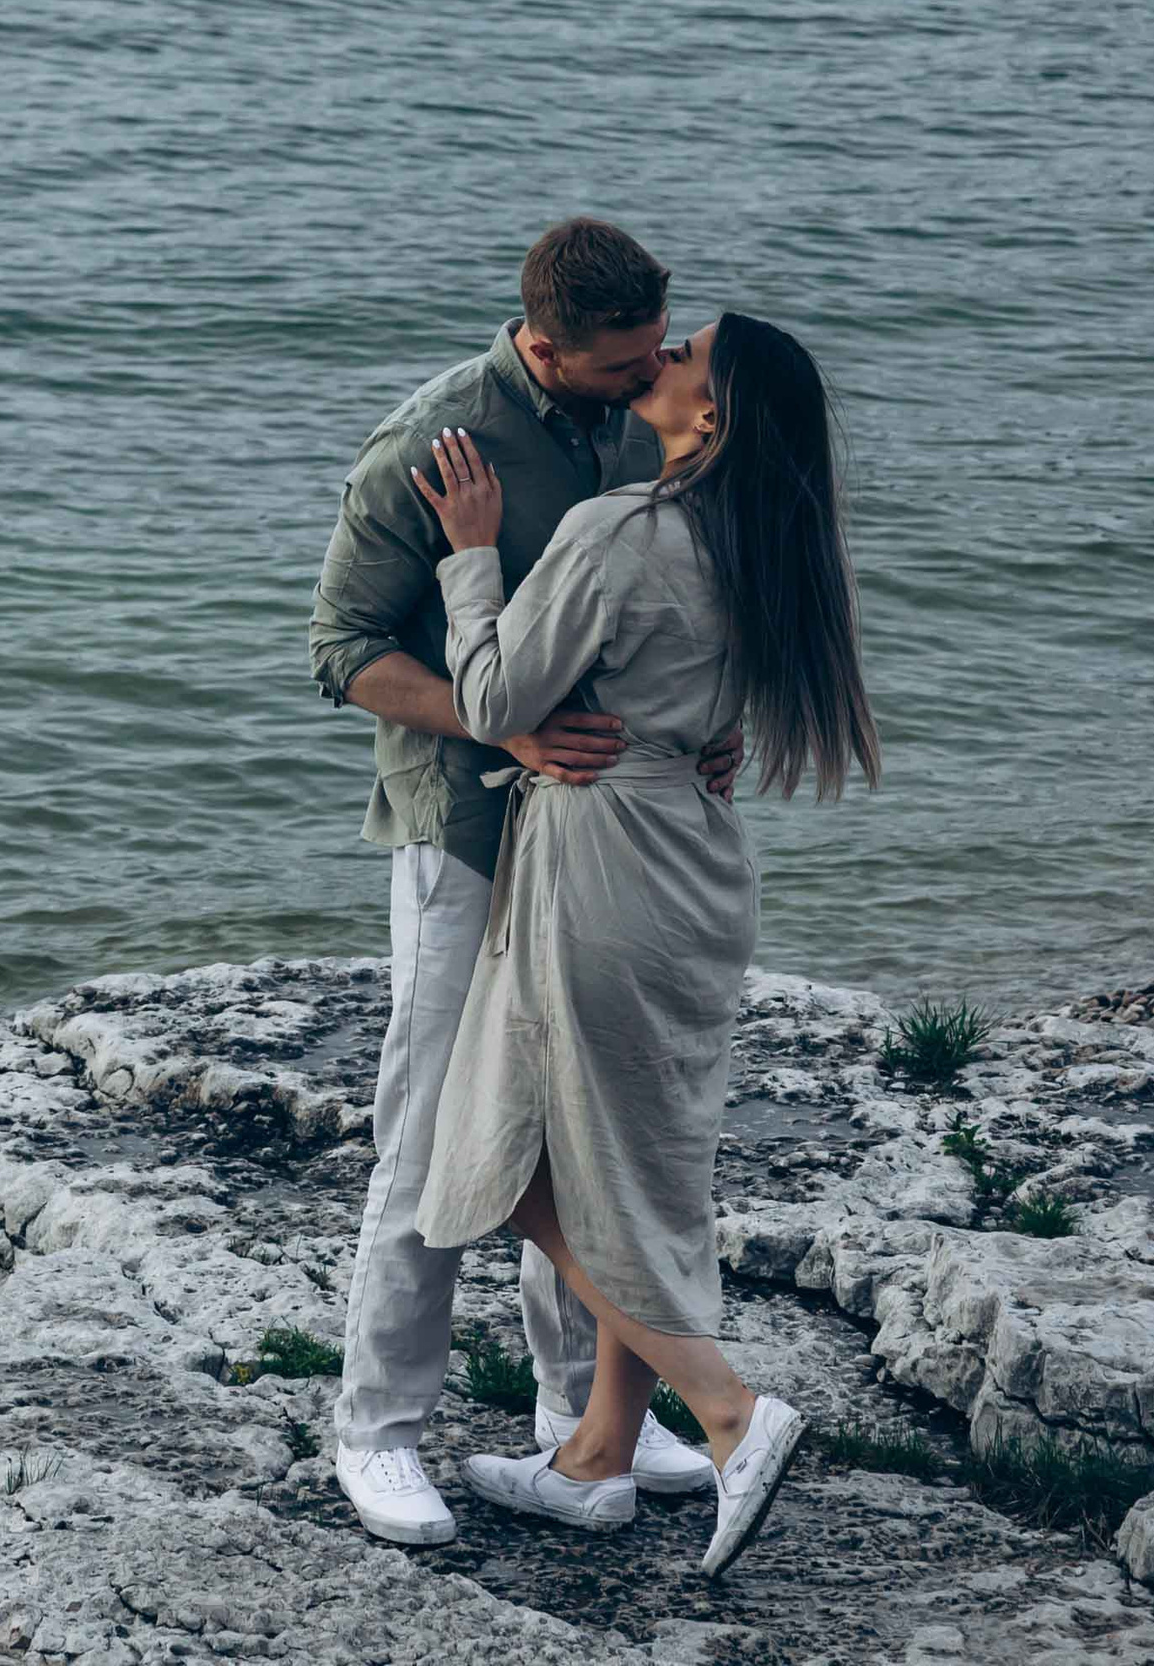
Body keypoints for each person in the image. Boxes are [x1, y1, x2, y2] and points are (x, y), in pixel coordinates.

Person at [411, 311, 881, 1577]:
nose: (660, 357)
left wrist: (468, 558)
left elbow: (498, 698)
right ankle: (595, 1455)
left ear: (710, 414)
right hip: (699, 865)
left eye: (686, 356)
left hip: (600, 868)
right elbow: (709, 714)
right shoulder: (772, 546)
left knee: (516, 1167)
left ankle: (728, 1411)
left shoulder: (617, 530)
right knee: (642, 1166)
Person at [310, 220, 741, 1548]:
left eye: (653, 353)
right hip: (465, 834)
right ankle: (376, 1432)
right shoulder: (432, 447)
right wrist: (497, 727)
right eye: (621, 363)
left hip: (600, 848)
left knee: (579, 1137)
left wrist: (702, 724)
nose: (648, 374)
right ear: (543, 344)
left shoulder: (639, 416)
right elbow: (339, 652)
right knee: (435, 1130)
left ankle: (584, 1430)